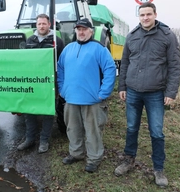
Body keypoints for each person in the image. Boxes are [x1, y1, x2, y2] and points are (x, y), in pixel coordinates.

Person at [114, 2, 180, 187]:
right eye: (142, 15)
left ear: (155, 14)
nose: (145, 18)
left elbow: (175, 66)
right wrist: (122, 87)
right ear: (139, 16)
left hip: (156, 93)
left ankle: (158, 169)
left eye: (148, 14)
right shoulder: (132, 36)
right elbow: (125, 63)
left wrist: (171, 92)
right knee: (131, 128)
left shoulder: (167, 36)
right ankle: (128, 159)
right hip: (133, 91)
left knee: (157, 132)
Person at [57, 18, 116, 173]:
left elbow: (110, 70)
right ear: (75, 31)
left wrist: (103, 93)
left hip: (92, 100)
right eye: (78, 29)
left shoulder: (99, 49)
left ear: (91, 31)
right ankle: (76, 154)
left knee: (93, 130)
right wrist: (63, 89)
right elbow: (60, 69)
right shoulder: (68, 49)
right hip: (71, 99)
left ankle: (94, 158)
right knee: (72, 129)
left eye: (84, 29)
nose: (81, 32)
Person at [17, 13, 65, 154]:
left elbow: (61, 64)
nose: (41, 26)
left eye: (44, 24)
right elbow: (25, 62)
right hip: (32, 81)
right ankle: (30, 138)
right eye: (39, 24)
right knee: (29, 111)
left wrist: (58, 85)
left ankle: (44, 140)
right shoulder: (30, 40)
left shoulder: (57, 41)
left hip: (49, 82)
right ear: (36, 25)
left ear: (49, 24)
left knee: (47, 111)